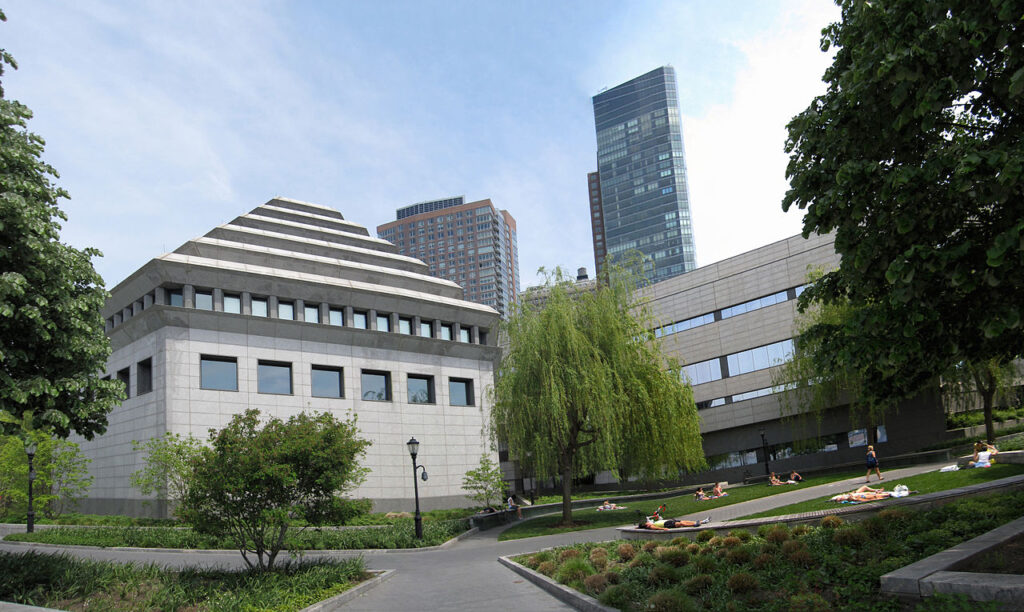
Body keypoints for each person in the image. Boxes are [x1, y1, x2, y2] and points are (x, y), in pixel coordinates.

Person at [637, 516, 711, 530]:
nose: (648, 522)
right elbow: (655, 528)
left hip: (669, 521)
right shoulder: (650, 526)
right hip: (667, 524)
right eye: (646, 523)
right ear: (646, 525)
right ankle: (695, 524)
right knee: (681, 524)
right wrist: (663, 529)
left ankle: (703, 521)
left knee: (683, 521)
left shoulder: (652, 523)